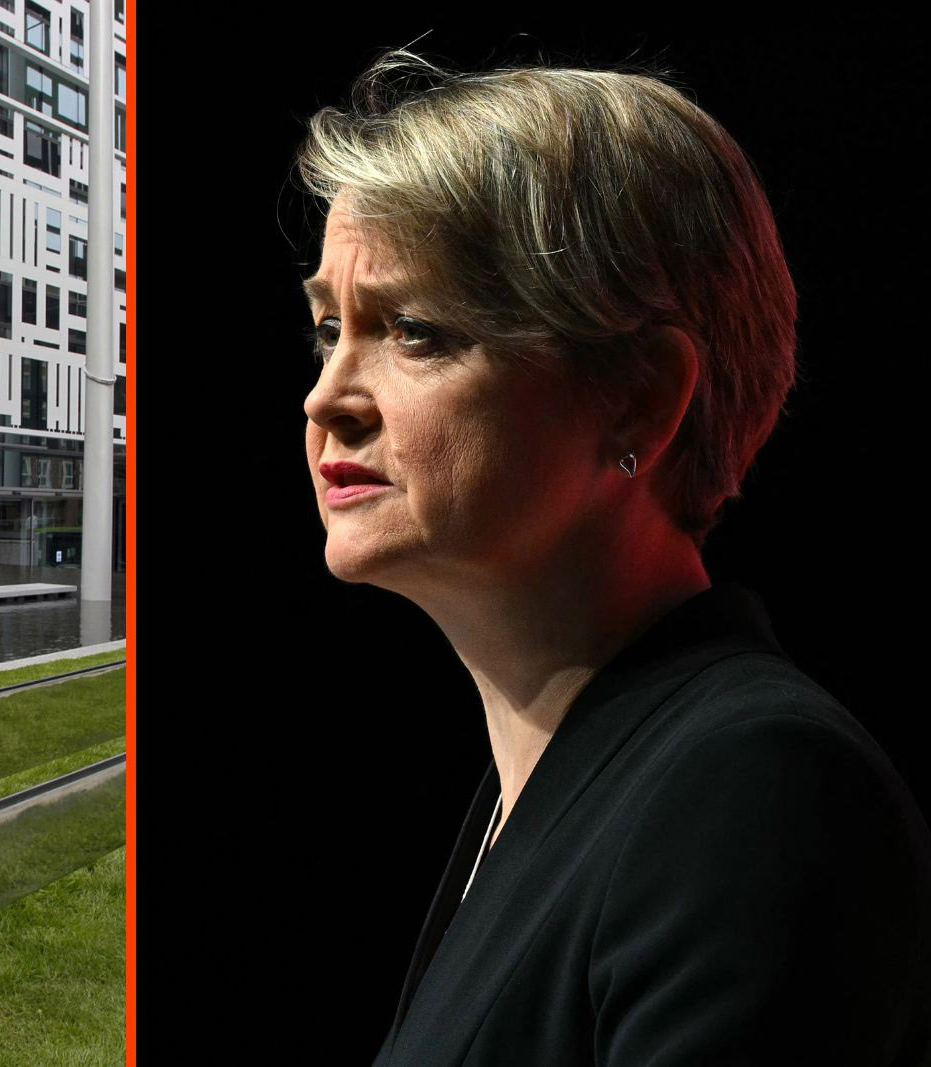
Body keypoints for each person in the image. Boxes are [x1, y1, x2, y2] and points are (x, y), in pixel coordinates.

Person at [296, 52, 931, 1064]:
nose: (326, 397)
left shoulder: (749, 789)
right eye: (327, 330)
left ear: (638, 397)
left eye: (411, 331)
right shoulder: (544, 786)